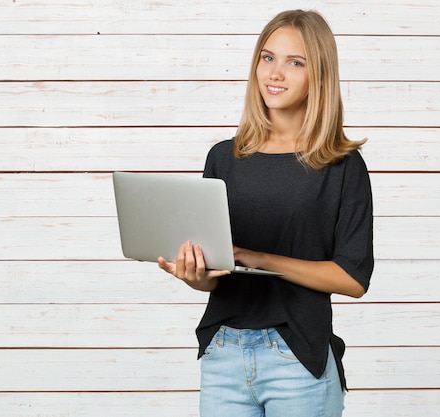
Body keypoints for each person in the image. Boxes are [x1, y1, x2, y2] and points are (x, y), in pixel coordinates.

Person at [157, 9, 374, 417]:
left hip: (297, 358)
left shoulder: (341, 166)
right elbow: (217, 277)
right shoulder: (224, 157)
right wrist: (195, 276)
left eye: (296, 62)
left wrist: (262, 259)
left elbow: (353, 278)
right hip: (223, 353)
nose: (275, 73)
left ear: (321, 77)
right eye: (267, 57)